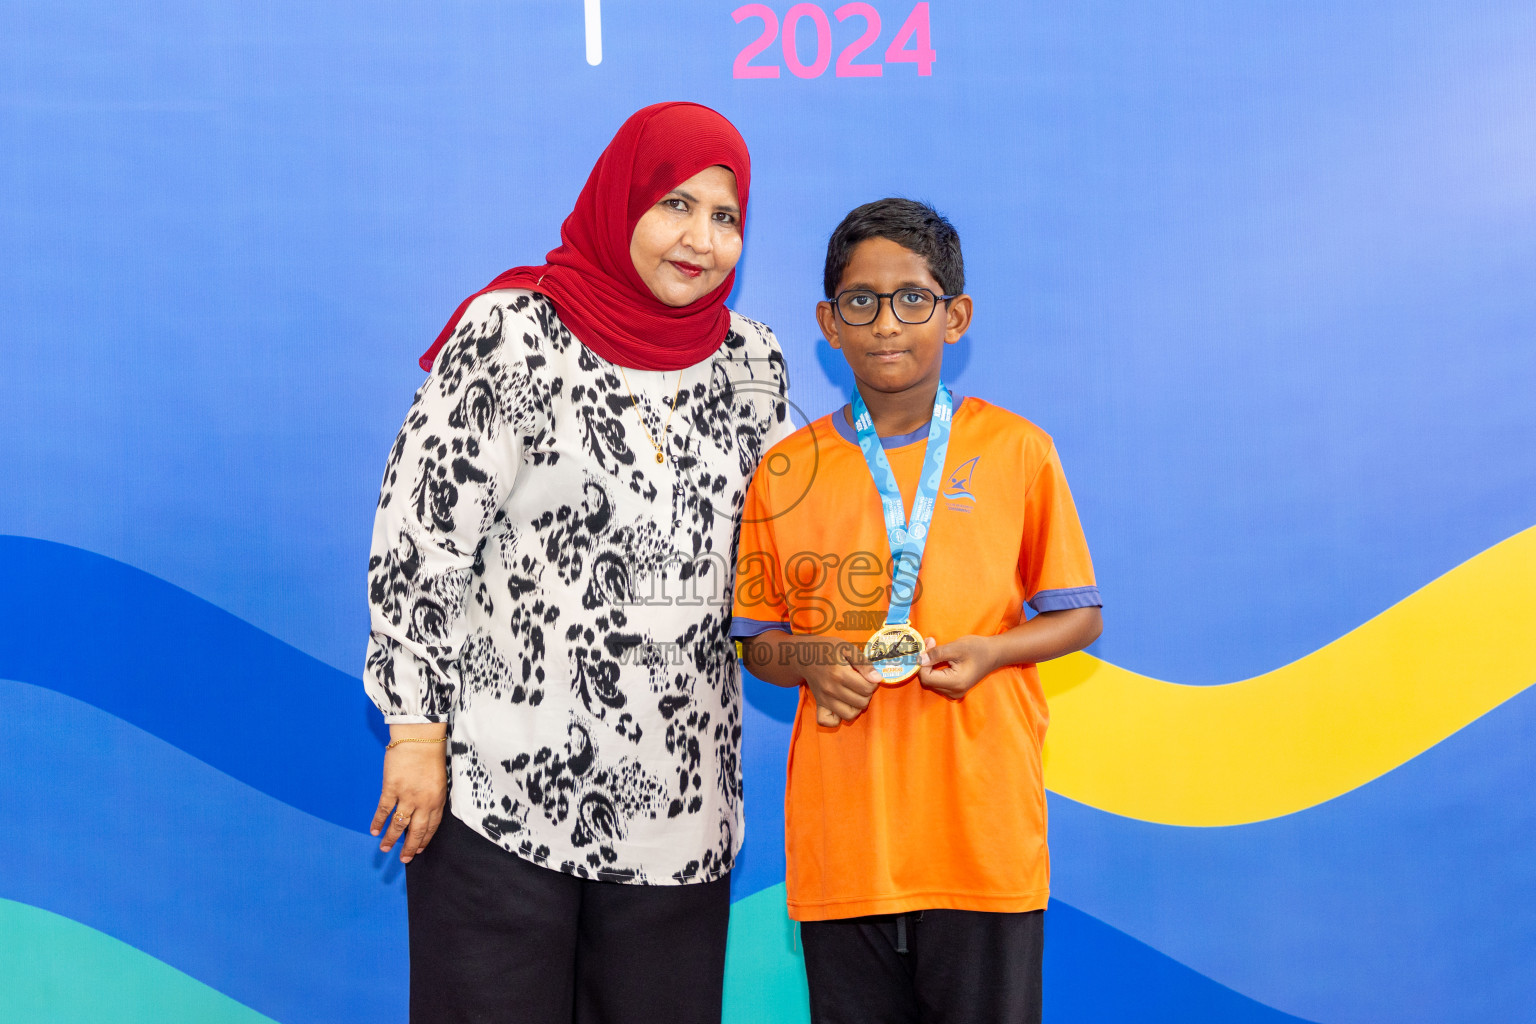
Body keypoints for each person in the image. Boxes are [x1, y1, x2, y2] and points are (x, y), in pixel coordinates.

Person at [363, 101, 790, 1024]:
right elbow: (419, 544)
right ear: (620, 200)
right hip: (499, 798)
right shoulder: (513, 335)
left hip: (682, 817)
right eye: (676, 204)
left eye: (726, 217)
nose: (702, 239)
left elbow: (783, 550)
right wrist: (415, 734)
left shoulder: (755, 367)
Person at [731, 198, 1103, 1023]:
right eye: (861, 301)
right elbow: (757, 642)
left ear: (956, 316)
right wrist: (815, 664)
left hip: (982, 832)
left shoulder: (1019, 451)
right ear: (830, 323)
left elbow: (1078, 617)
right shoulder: (788, 468)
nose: (887, 323)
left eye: (913, 299)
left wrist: (991, 653)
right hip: (847, 842)